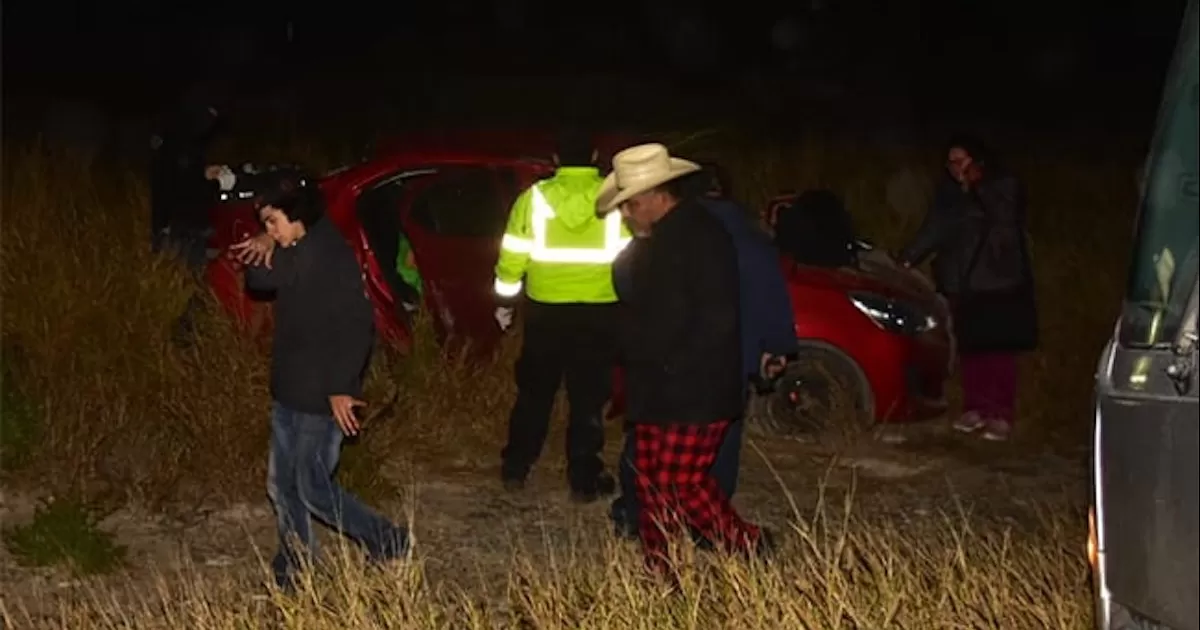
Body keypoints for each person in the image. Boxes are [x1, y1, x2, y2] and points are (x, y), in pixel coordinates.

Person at [227, 170, 410, 592]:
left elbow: (357, 324)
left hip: (320, 396)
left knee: (312, 488)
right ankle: (297, 566)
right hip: (289, 387)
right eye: (264, 222)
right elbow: (261, 281)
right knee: (282, 485)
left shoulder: (329, 256)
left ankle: (390, 540)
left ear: (298, 217)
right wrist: (269, 241)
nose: (265, 228)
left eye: (271, 220)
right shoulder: (297, 245)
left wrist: (343, 386)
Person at [597, 143, 772, 573]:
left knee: (681, 482)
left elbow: (713, 318)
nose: (627, 214)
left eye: (632, 204)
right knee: (652, 484)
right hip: (663, 387)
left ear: (659, 195)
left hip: (691, 390)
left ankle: (748, 544)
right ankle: (662, 568)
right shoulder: (664, 238)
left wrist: (670, 365)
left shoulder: (698, 236)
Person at [492, 129, 632, 503]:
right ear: (595, 157)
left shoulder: (534, 199)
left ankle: (516, 467)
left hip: (545, 311)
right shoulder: (615, 199)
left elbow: (512, 256)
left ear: (554, 159)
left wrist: (505, 302)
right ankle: (584, 478)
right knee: (588, 396)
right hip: (600, 310)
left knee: (535, 391)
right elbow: (632, 256)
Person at [897, 135, 1037, 442]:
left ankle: (1000, 414)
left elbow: (1005, 219)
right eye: (951, 162)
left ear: (978, 160)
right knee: (972, 349)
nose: (955, 167)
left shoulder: (1002, 185)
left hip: (998, 282)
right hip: (963, 283)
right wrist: (907, 258)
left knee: (998, 350)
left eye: (961, 160)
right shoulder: (949, 194)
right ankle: (976, 408)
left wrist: (976, 186)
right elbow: (936, 227)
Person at [149, 82, 240, 346]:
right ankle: (182, 341)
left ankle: (181, 338)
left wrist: (205, 173)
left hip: (177, 225)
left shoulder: (177, 137)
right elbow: (184, 187)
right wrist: (213, 183)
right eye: (209, 114)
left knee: (184, 285)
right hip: (181, 229)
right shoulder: (181, 141)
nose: (211, 122)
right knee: (186, 288)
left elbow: (180, 176)